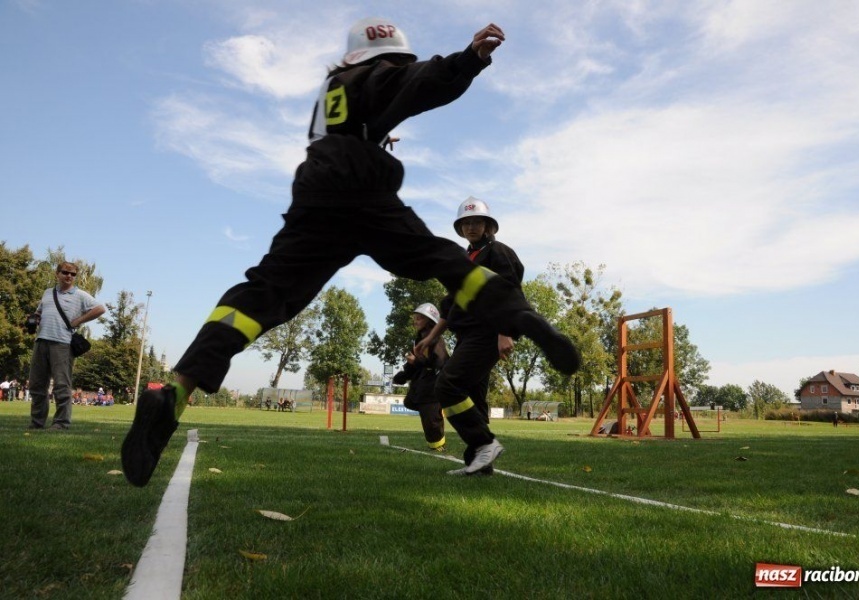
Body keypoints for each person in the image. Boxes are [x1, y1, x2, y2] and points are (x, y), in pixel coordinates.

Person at [120, 18, 578, 487]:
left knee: (263, 294)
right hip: (365, 193)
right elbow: (423, 83)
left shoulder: (332, 91)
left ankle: (176, 390)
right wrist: (470, 59)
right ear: (388, 56)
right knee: (444, 261)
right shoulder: (380, 74)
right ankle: (521, 316)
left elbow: (356, 128)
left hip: (316, 192)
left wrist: (379, 139)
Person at [415, 197, 524, 475]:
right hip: (467, 335)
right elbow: (450, 306)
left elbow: (507, 292)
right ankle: (479, 466)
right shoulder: (464, 259)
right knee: (474, 398)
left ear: (488, 226)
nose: (471, 227)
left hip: (488, 333)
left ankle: (485, 443)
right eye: (466, 223)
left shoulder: (499, 252)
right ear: (460, 228)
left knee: (446, 387)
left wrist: (504, 332)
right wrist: (430, 338)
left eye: (476, 222)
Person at [27, 262, 105, 430]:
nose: (69, 276)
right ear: (57, 274)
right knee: (36, 384)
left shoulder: (80, 295)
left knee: (62, 385)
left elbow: (100, 309)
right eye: (65, 272)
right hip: (41, 341)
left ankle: (61, 423)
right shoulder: (48, 293)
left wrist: (79, 320)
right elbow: (39, 312)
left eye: (73, 274)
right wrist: (34, 319)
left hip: (62, 343)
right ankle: (37, 422)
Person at [393, 303, 448, 452]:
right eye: (415, 318)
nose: (415, 321)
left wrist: (417, 361)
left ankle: (438, 447)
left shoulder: (435, 340)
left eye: (419, 318)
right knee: (411, 401)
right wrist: (403, 376)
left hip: (434, 385)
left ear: (430, 321)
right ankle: (436, 413)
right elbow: (414, 365)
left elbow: (440, 362)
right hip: (422, 384)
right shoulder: (418, 340)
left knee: (430, 416)